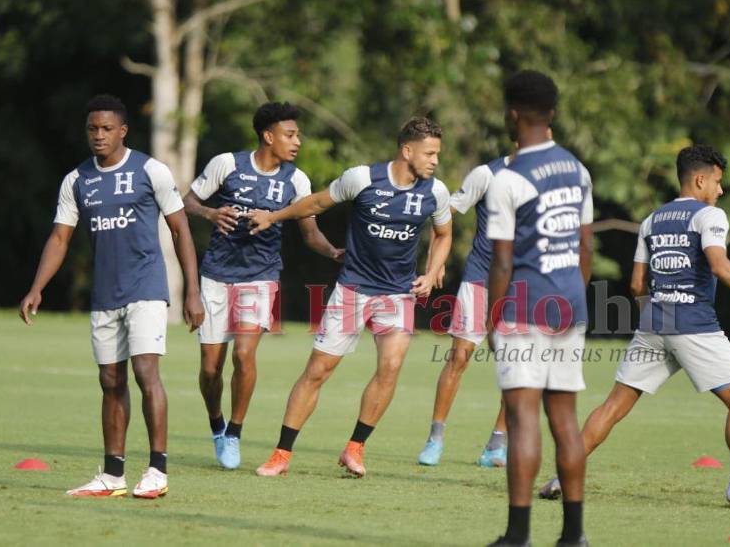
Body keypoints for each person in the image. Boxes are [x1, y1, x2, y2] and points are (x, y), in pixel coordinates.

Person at [538, 145, 730, 508]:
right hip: (695, 324)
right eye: (717, 182)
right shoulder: (710, 216)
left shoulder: (651, 220)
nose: (720, 190)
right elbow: (719, 264)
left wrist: (653, 318)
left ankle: (562, 475)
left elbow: (637, 284)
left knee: (614, 406)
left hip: (654, 323)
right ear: (700, 179)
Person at [19, 94, 204, 498]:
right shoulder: (77, 180)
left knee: (145, 372)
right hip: (105, 294)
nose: (98, 136)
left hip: (147, 289)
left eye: (106, 129)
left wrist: (194, 290)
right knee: (110, 379)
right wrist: (37, 287)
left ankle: (157, 470)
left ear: (122, 131)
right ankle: (113, 474)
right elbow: (60, 237)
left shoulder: (150, 170)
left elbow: (180, 230)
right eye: (92, 129)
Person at [249, 117, 452, 477]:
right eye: (430, 153)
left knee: (390, 368)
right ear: (407, 151)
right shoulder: (362, 179)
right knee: (318, 371)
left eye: (437, 154)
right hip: (353, 291)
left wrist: (434, 270)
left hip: (398, 295)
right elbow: (314, 203)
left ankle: (355, 448)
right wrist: (274, 216)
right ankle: (281, 454)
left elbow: (443, 233)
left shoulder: (435, 192)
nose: (435, 160)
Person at [183, 102, 343, 470]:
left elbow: (310, 233)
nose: (297, 141)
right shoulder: (227, 164)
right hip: (217, 276)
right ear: (268, 136)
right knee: (210, 369)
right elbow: (187, 201)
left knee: (243, 355)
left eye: (297, 134)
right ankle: (217, 425)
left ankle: (235, 433)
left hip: (261, 276)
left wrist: (334, 253)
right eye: (290, 134)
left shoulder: (296, 180)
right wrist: (210, 213)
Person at [485, 71, 593, 547]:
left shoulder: (508, 179)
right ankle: (574, 536)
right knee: (565, 420)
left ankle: (518, 535)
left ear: (513, 113)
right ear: (551, 112)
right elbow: (585, 250)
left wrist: (493, 318)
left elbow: (503, 260)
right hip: (569, 306)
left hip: (525, 307)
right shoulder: (578, 169)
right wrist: (572, 297)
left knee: (522, 419)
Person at [417, 156, 512, 468]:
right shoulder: (487, 174)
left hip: (522, 284)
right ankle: (435, 438)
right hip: (480, 277)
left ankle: (497, 444)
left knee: (516, 366)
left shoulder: (548, 177)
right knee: (459, 358)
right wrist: (437, 260)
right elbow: (445, 214)